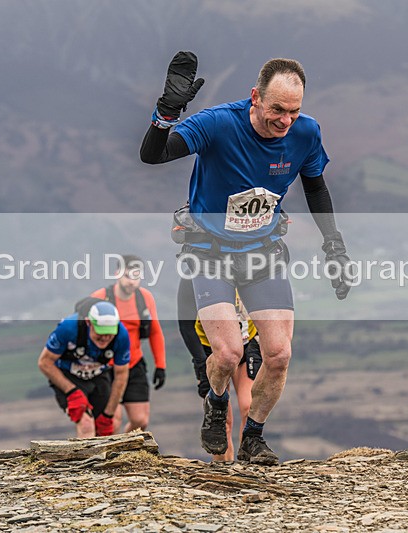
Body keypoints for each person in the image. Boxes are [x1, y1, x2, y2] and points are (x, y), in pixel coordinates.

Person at [141, 52, 354, 465]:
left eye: (294, 111)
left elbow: (316, 188)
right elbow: (154, 155)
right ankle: (215, 402)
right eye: (277, 109)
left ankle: (254, 436)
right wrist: (165, 113)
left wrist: (335, 246)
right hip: (210, 253)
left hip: (262, 253)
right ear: (255, 97)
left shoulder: (306, 133)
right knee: (227, 354)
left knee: (279, 354)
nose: (285, 121)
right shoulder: (218, 124)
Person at [177, 277, 262, 461]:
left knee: (249, 407)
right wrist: (200, 362)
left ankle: (248, 466)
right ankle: (223, 469)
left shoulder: (248, 268)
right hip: (210, 349)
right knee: (223, 419)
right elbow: (186, 324)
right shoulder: (193, 277)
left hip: (247, 344)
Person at [91, 254, 166, 433]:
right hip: (106, 367)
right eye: (127, 276)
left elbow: (155, 331)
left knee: (140, 421)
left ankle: (124, 451)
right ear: (117, 274)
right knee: (112, 420)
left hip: (134, 364)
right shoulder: (101, 297)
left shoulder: (145, 298)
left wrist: (160, 366)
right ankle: (103, 456)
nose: (132, 281)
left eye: (136, 276)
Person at [37, 300, 130, 438]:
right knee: (86, 424)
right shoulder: (68, 328)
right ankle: (88, 459)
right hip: (68, 375)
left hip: (98, 374)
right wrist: (72, 392)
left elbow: (121, 374)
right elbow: (44, 362)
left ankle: (107, 458)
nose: (105, 338)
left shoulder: (121, 335)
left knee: (112, 422)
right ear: (89, 323)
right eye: (100, 332)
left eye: (109, 333)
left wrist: (108, 414)